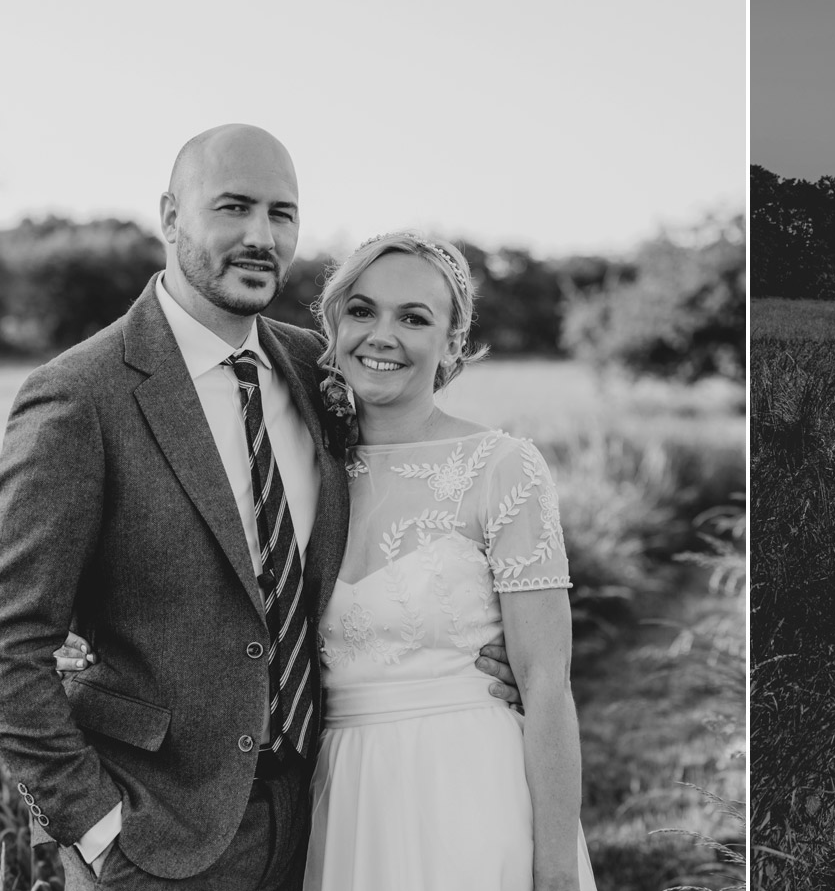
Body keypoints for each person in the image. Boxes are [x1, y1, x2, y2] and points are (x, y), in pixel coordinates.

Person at [0, 125, 515, 890]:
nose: (260, 235)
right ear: (171, 217)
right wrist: (99, 830)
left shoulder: (318, 369)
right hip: (162, 835)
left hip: (330, 812)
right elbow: (12, 642)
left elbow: (411, 500)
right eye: (233, 207)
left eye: (282, 213)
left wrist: (484, 650)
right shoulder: (81, 396)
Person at [296, 231, 595, 890]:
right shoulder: (303, 470)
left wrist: (555, 871)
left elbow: (547, 682)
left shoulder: (501, 468)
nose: (382, 335)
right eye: (362, 310)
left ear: (453, 343)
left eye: (414, 317)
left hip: (470, 791)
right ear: (335, 324)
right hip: (339, 797)